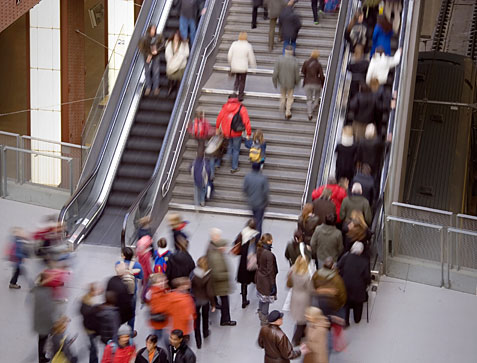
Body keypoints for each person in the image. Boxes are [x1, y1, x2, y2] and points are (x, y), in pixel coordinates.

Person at [206, 228, 237, 326]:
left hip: (217, 283)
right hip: (221, 284)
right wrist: (227, 275)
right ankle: (225, 319)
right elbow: (217, 274)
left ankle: (215, 304)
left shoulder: (212, 248)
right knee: (225, 302)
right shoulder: (216, 257)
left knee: (223, 299)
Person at [215, 94, 252, 172]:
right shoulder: (241, 108)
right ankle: (234, 167)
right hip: (237, 132)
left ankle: (228, 158)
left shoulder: (225, 107)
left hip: (226, 132)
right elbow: (246, 121)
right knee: (236, 149)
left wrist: (217, 128)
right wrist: (248, 133)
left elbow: (219, 118)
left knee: (230, 146)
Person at [338, 242, 371, 325]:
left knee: (346, 304)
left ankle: (346, 321)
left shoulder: (346, 257)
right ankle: (357, 319)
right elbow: (367, 276)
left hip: (346, 284)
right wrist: (367, 284)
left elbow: (338, 266)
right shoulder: (364, 261)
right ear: (361, 251)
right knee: (358, 304)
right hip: (358, 288)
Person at [32, 273, 59, 363]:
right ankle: (41, 357)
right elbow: (49, 309)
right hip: (44, 322)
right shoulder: (44, 292)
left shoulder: (38, 290)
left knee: (42, 341)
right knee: (43, 340)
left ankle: (42, 356)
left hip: (40, 321)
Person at [232, 219, 259, 308]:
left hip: (243, 261)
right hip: (252, 260)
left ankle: (244, 299)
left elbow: (235, 244)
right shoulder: (255, 235)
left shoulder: (242, 233)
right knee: (254, 276)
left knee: (244, 281)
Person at [190, 256, 216, 348]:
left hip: (195, 300)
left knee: (196, 320)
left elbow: (190, 286)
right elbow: (210, 292)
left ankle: (198, 341)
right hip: (205, 300)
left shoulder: (193, 274)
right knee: (205, 317)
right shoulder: (208, 275)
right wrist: (213, 304)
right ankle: (205, 332)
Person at [287, 256, 313, 345]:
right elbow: (310, 289)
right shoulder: (306, 276)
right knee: (302, 320)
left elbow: (289, 283)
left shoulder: (292, 271)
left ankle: (303, 334)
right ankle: (296, 339)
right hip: (304, 298)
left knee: (300, 318)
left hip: (295, 295)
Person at [116, 247, 144, 332]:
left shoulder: (118, 263)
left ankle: (119, 331)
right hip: (132, 292)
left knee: (120, 312)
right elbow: (141, 277)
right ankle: (130, 332)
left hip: (121, 291)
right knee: (131, 314)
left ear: (123, 256)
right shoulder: (137, 265)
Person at [256, 233, 278, 326]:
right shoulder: (269, 254)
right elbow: (270, 271)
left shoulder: (259, 250)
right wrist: (273, 284)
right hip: (266, 281)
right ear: (269, 241)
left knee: (261, 299)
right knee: (266, 301)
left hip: (260, 278)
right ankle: (264, 320)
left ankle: (260, 313)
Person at [273, 45, 300, 120]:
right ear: (292, 52)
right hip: (291, 83)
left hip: (282, 82)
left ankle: (282, 104)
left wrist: (275, 82)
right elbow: (297, 74)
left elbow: (275, 73)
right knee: (290, 97)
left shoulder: (279, 59)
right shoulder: (295, 61)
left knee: (283, 95)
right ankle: (288, 111)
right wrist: (297, 82)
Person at [227, 32, 257, 101]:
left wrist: (230, 63)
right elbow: (251, 57)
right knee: (242, 81)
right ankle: (240, 95)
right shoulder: (248, 46)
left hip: (235, 66)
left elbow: (229, 55)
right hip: (243, 67)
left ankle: (234, 91)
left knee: (237, 78)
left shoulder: (234, 44)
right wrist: (253, 67)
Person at [243, 162, 270, 235]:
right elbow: (265, 192)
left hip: (251, 202)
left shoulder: (247, 177)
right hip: (260, 204)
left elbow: (245, 189)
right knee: (258, 222)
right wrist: (266, 202)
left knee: (253, 219)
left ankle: (250, 234)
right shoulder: (263, 178)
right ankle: (256, 237)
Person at [80, 283, 103, 363]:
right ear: (93, 291)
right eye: (98, 289)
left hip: (89, 327)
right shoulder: (90, 306)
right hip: (91, 329)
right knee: (93, 349)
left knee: (93, 347)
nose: (100, 290)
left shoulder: (85, 299)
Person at [106, 264, 134, 329]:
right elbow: (126, 304)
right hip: (119, 314)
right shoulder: (123, 287)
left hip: (111, 309)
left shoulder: (111, 280)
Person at [139, 25, 164, 96]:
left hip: (156, 55)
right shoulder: (145, 38)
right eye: (152, 29)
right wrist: (149, 54)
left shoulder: (158, 37)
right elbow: (141, 48)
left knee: (155, 71)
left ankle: (156, 88)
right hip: (147, 56)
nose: (153, 31)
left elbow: (162, 44)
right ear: (149, 30)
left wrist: (156, 51)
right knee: (147, 72)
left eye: (154, 29)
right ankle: (148, 87)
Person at [301, 50, 325, 120]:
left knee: (309, 99)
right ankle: (315, 105)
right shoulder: (318, 64)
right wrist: (322, 83)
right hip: (317, 83)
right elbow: (321, 75)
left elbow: (302, 72)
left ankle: (310, 114)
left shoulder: (306, 63)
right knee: (317, 96)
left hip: (307, 83)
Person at [165, 30, 189, 96]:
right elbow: (167, 53)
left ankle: (178, 93)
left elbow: (186, 53)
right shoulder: (169, 43)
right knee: (171, 77)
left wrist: (179, 57)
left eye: (177, 37)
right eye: (175, 36)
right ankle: (171, 87)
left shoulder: (184, 44)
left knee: (179, 79)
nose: (176, 38)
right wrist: (172, 58)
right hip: (171, 63)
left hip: (180, 64)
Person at [147, 273, 170, 341]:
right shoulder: (156, 294)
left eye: (163, 281)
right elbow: (159, 308)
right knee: (158, 336)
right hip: (158, 321)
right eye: (159, 282)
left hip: (159, 320)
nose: (162, 283)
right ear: (153, 284)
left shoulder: (160, 291)